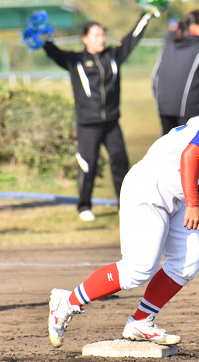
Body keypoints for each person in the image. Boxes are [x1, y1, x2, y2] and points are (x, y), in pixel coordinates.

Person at [46, 63, 199, 348]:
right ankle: (66, 302)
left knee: (187, 263)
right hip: (150, 186)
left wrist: (198, 208)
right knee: (137, 270)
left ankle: (140, 322)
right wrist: (192, 205)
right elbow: (190, 156)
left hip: (176, 193)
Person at [42, 12, 155, 222]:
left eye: (103, 35)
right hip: (88, 125)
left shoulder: (113, 56)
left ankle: (125, 206)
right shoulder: (75, 60)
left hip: (112, 123)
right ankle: (84, 206)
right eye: (96, 35)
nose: (101, 39)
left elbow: (133, 37)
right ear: (85, 39)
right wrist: (43, 39)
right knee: (88, 165)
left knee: (120, 163)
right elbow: (53, 52)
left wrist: (146, 15)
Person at [152, 10, 199, 135]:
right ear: (195, 26)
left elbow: (154, 77)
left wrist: (159, 102)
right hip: (190, 111)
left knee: (169, 150)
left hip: (164, 107)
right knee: (190, 150)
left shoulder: (169, 45)